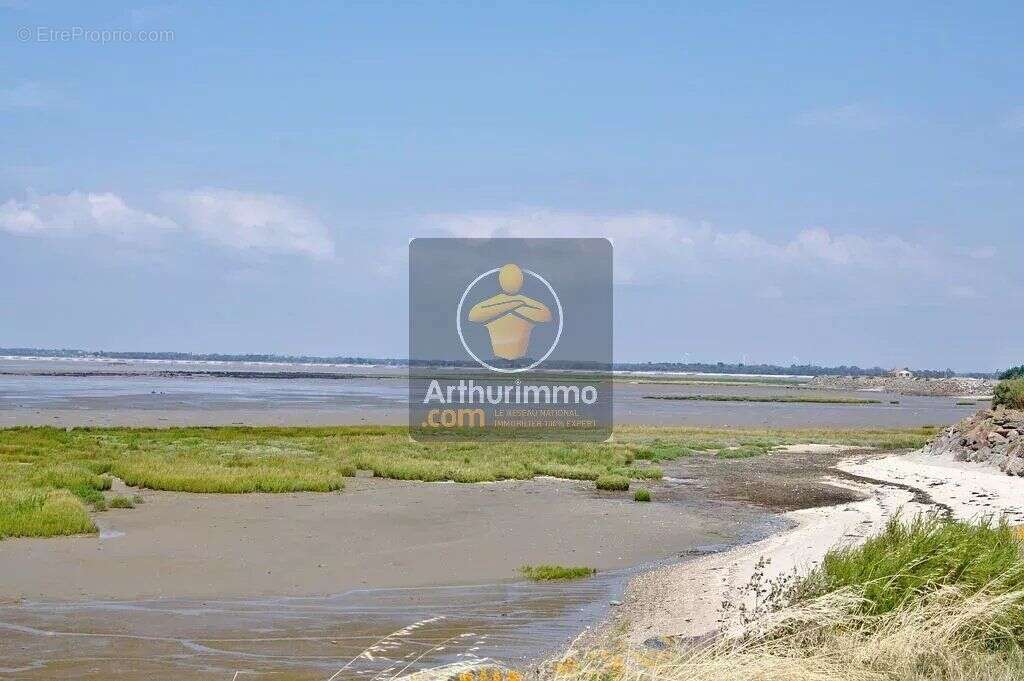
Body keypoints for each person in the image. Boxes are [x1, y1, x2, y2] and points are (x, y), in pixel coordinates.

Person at [467, 263, 552, 360]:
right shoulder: (521, 301)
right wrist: (517, 303)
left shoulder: (526, 301)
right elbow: (474, 315)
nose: (512, 282)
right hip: (498, 351)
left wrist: (513, 304)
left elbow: (545, 316)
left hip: (521, 351)